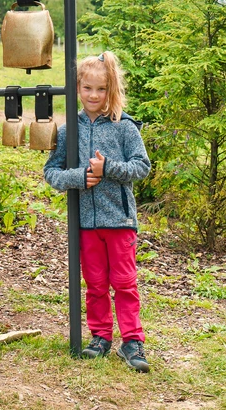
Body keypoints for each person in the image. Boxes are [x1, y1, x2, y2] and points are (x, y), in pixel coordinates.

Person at [43, 52, 152, 372]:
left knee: (124, 282)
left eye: (101, 89)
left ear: (112, 89)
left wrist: (108, 169)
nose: (93, 95)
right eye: (87, 88)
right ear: (78, 87)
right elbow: (51, 172)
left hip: (118, 220)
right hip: (85, 223)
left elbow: (141, 166)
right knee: (94, 283)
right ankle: (101, 336)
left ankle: (132, 341)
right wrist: (79, 178)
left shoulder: (124, 127)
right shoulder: (67, 131)